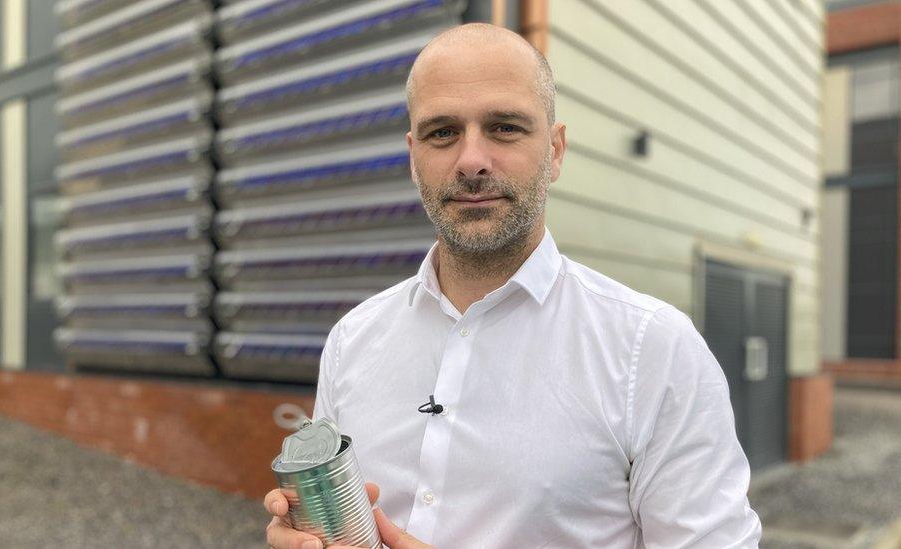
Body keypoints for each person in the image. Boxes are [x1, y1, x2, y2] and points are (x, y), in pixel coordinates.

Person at [265, 23, 761, 549]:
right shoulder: (352, 340)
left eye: (504, 127)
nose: (472, 159)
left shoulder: (654, 350)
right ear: (413, 157)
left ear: (556, 151)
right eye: (442, 133)